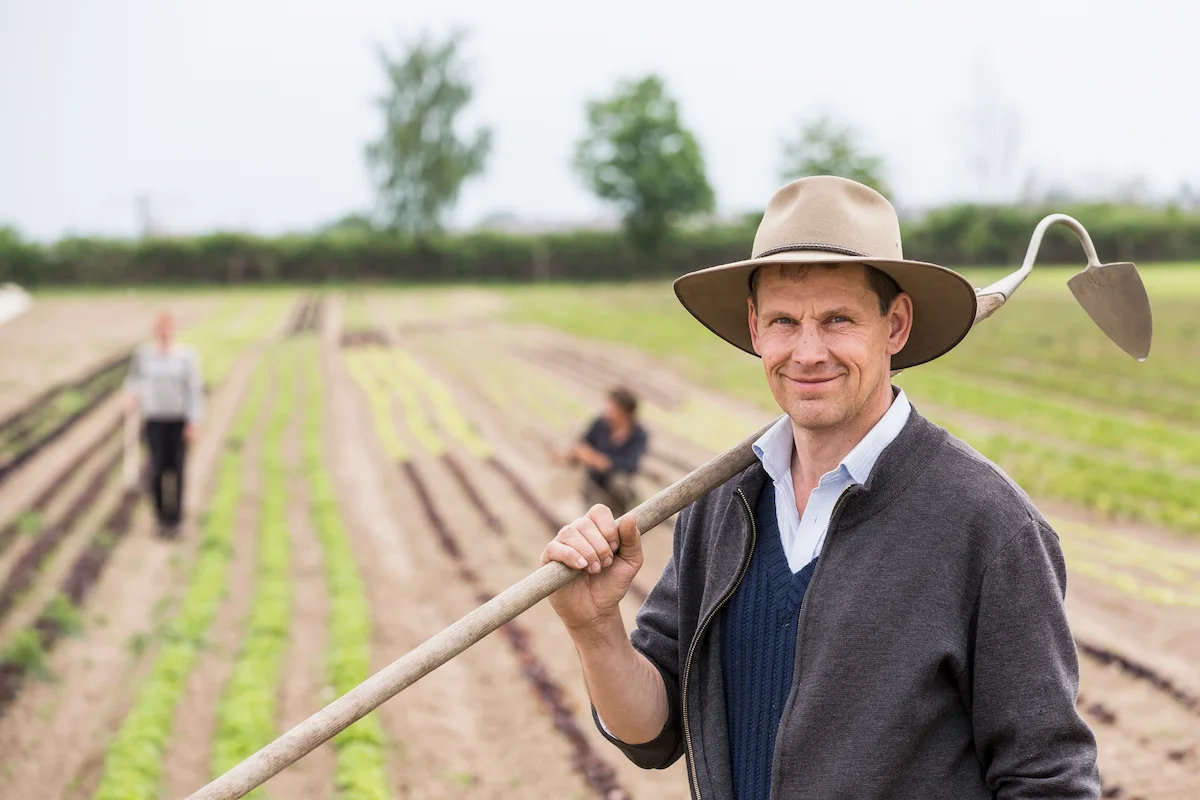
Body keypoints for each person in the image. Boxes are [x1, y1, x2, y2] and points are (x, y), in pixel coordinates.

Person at [540, 176, 1100, 799]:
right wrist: (596, 631)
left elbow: (1048, 780)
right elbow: (652, 732)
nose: (807, 352)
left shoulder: (987, 528)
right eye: (784, 321)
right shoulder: (721, 506)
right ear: (754, 329)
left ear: (895, 326)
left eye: (838, 320)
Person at [123, 311, 203, 539]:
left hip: (178, 422)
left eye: (167, 329)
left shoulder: (186, 357)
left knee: (177, 471)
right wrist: (131, 395)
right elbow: (134, 379)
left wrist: (193, 422)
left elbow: (194, 391)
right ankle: (160, 519)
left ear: (173, 331)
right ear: (154, 332)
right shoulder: (144, 356)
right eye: (160, 329)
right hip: (154, 422)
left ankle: (175, 520)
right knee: (156, 471)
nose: (164, 333)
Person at [555, 387, 649, 518]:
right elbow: (582, 445)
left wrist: (603, 462)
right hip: (595, 481)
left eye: (612, 409)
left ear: (625, 412)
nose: (608, 411)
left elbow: (631, 464)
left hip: (618, 486)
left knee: (620, 482)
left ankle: (621, 511)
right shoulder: (600, 424)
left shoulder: (639, 434)